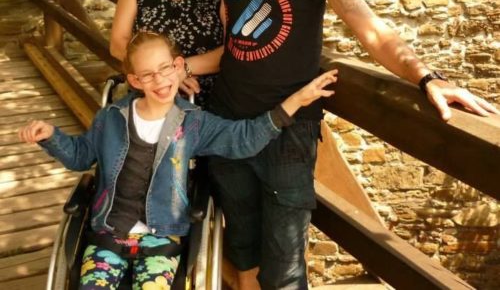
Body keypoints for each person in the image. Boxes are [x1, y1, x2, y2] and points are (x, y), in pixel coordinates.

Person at [207, 0, 500, 290]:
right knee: (241, 246)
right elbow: (233, 32)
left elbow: (371, 30)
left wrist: (427, 77)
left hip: (287, 133)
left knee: (284, 270)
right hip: (229, 120)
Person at [19, 31, 338, 290]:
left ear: (178, 66)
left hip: (161, 236)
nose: (159, 80)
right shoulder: (112, 118)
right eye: (147, 74)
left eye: (165, 69)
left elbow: (244, 138)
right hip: (108, 233)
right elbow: (79, 156)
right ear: (134, 81)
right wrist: (51, 136)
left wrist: (296, 101)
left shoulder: (193, 122)